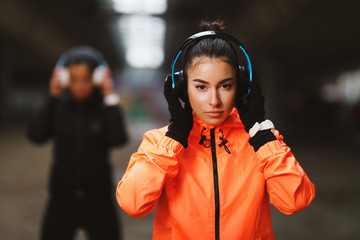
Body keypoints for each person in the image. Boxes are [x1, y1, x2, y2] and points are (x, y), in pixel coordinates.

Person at [116, 20, 315, 239]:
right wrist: (175, 138)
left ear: (241, 86)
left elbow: (295, 201)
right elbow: (132, 204)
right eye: (201, 87)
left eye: (225, 86)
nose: (214, 100)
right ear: (181, 88)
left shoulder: (262, 143)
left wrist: (260, 134)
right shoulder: (158, 143)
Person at [27, 46, 128, 240]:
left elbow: (119, 138)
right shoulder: (58, 107)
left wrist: (109, 97)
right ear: (64, 79)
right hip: (61, 198)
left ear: (96, 79)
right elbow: (36, 136)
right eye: (73, 79)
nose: (79, 85)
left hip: (99, 198)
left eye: (86, 79)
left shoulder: (104, 108)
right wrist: (52, 97)